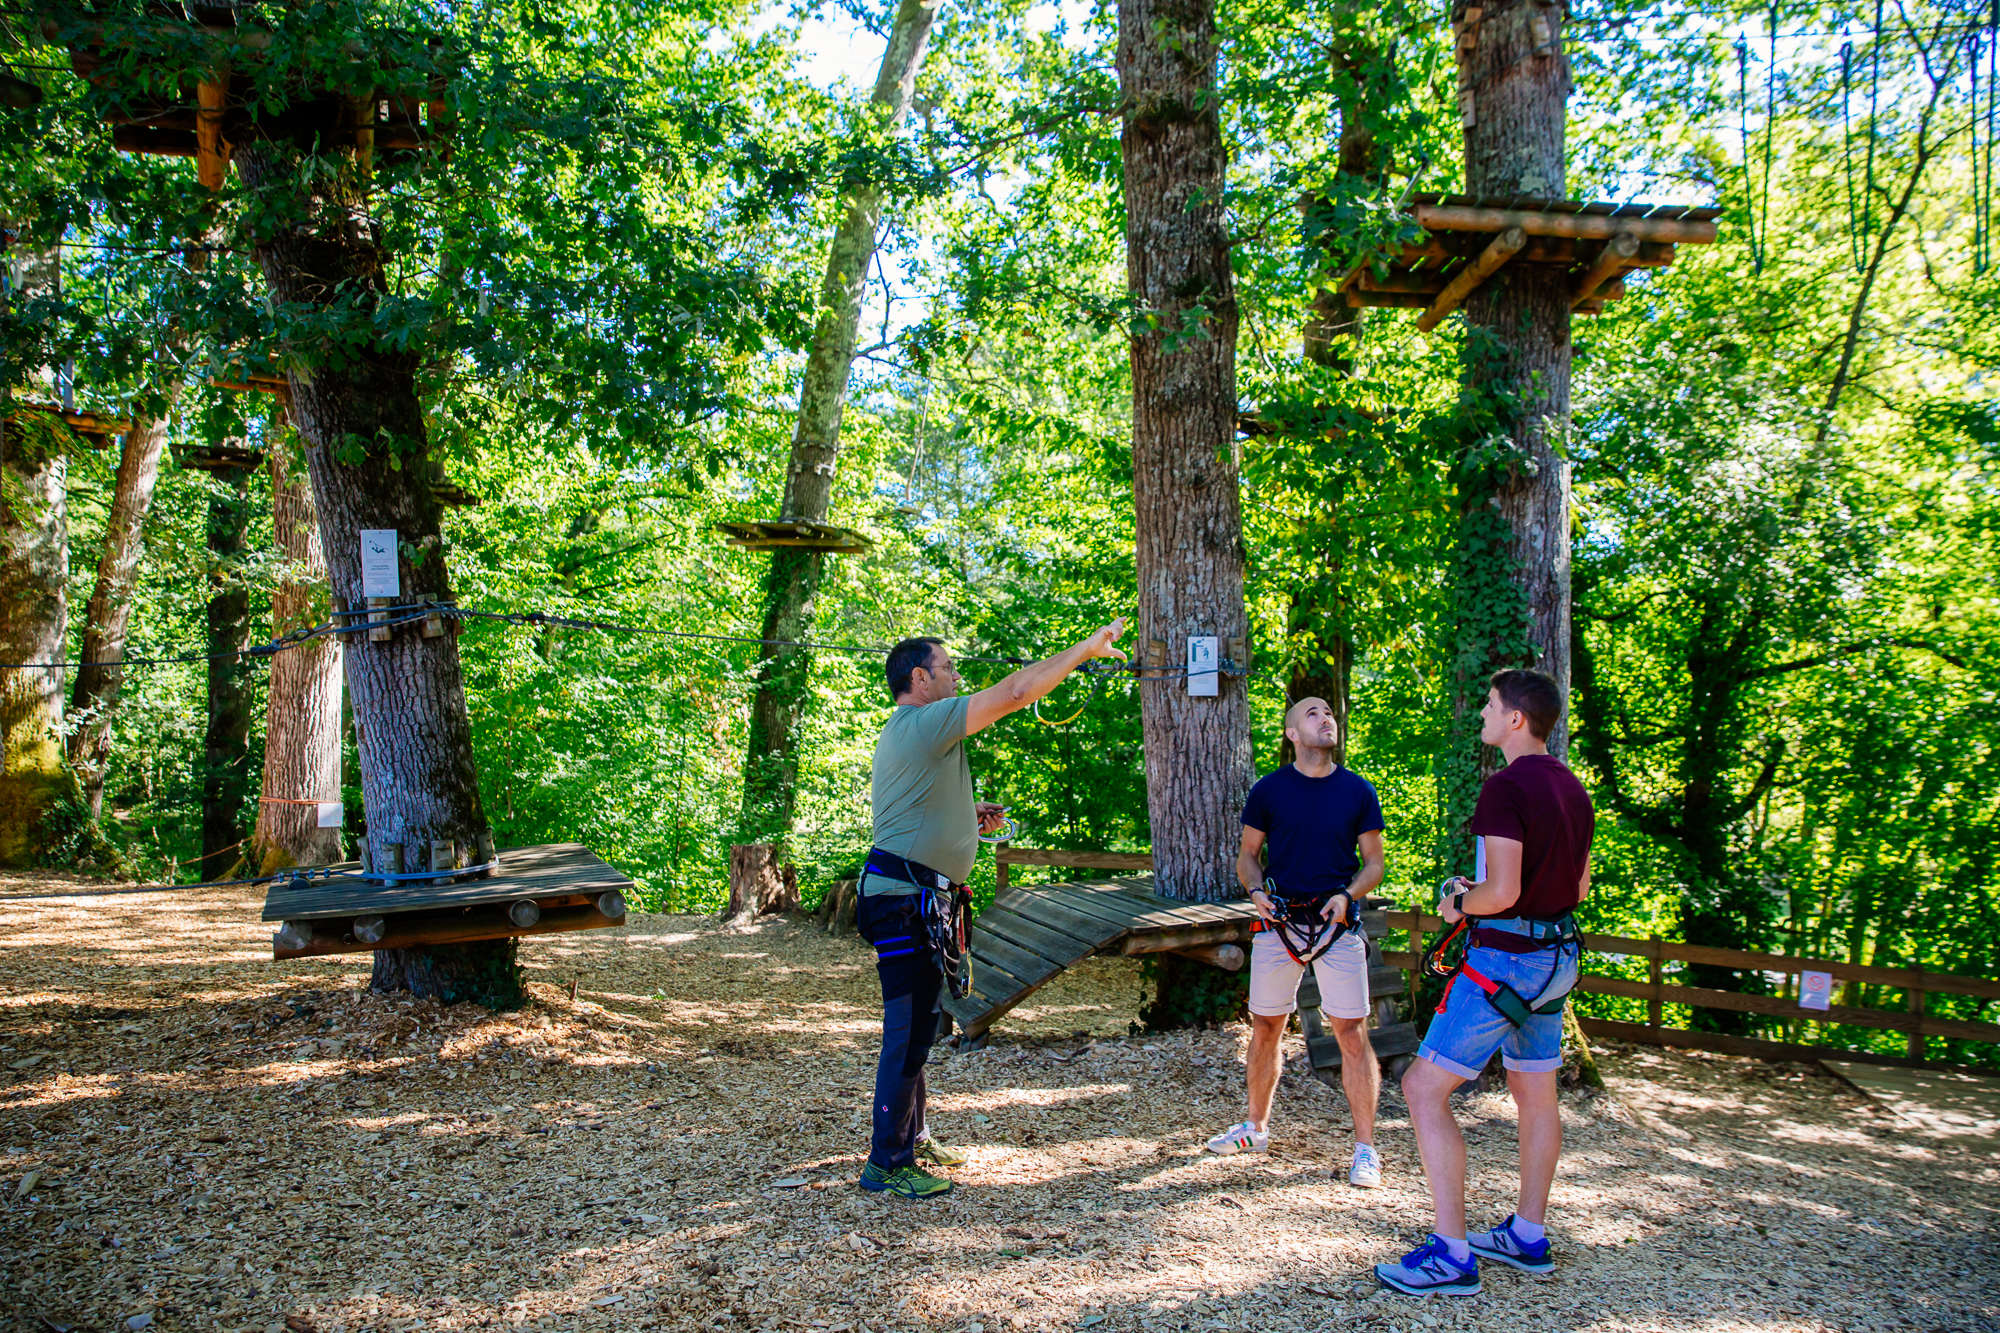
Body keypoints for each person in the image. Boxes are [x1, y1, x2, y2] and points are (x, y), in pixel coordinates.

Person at [857, 622, 1128, 1199]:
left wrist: (965, 817)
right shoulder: (924, 721)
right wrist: (1084, 650)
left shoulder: (917, 731)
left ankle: (913, 1136)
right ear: (920, 678)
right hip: (904, 904)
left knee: (921, 1025)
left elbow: (917, 812)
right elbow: (1015, 692)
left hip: (915, 901)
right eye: (948, 668)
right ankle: (886, 1163)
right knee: (908, 1032)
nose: (958, 677)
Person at [1374, 668, 1594, 1297]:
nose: (1482, 715)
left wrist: (1457, 904)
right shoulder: (1573, 788)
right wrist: (1488, 896)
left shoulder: (1505, 786)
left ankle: (1451, 1254)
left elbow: (1502, 894)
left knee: (1422, 1088)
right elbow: (1576, 887)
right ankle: (1527, 1235)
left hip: (1506, 962)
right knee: (1535, 1092)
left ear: (1515, 718)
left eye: (1490, 706)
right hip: (1557, 958)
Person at [1205, 696, 1388, 1189]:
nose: (1326, 719)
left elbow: (1374, 863)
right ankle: (1255, 1128)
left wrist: (1347, 896)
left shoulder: (1357, 791)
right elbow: (1248, 855)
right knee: (1266, 1027)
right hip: (1279, 923)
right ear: (1291, 733)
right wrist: (1256, 892)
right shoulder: (1269, 790)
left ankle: (1366, 1150)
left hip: (1337, 924)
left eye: (1329, 713)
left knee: (1352, 1033)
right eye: (1313, 714)